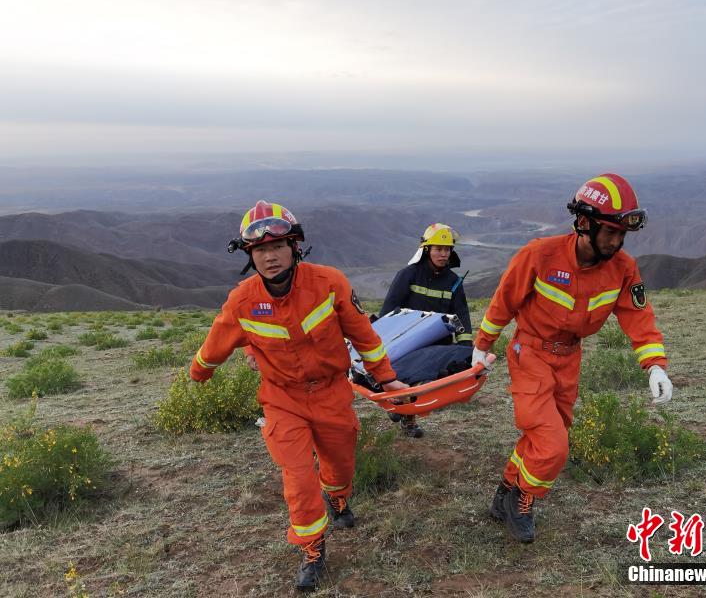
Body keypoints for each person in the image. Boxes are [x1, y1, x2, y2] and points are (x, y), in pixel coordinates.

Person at [189, 201, 407, 590]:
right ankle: (311, 546)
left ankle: (338, 498)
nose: (269, 257)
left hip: (331, 393)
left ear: (295, 248)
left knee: (339, 465)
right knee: (298, 476)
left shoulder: (329, 283)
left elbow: (364, 336)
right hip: (281, 400)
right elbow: (216, 343)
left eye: (277, 247)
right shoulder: (242, 300)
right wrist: (199, 372)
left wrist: (387, 380)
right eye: (259, 250)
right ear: (249, 255)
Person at [471, 174, 673, 543]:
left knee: (543, 437)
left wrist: (655, 364)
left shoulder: (624, 268)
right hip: (529, 353)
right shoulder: (539, 255)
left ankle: (504, 492)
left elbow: (638, 316)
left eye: (621, 234)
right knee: (552, 446)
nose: (616, 241)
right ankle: (523, 500)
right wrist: (482, 346)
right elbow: (504, 302)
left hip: (570, 359)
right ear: (584, 224)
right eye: (609, 232)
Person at [379, 223, 473, 438]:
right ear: (427, 250)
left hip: (437, 342)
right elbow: (389, 310)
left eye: (447, 249)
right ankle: (401, 410)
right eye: (438, 249)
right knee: (403, 377)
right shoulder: (408, 275)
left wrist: (466, 346)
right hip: (406, 339)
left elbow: (461, 314)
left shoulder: (453, 282)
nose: (443, 254)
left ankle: (406, 415)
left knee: (421, 380)